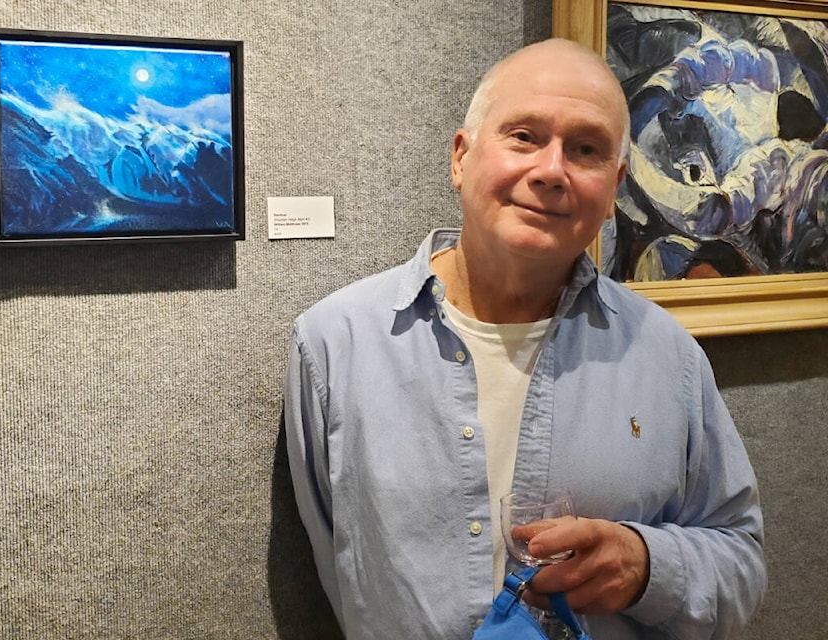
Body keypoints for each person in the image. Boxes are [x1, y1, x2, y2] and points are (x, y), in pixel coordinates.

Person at [284, 38, 765, 640]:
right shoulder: (334, 344)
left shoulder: (670, 358)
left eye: (585, 149)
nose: (551, 171)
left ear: (614, 187)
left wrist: (648, 567)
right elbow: (338, 570)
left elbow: (740, 559)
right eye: (524, 137)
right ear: (461, 157)